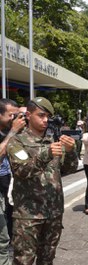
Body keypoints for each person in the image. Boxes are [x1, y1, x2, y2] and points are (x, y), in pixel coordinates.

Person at [7, 97, 78, 264]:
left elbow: (70, 169)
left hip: (53, 213)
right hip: (28, 216)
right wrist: (46, 154)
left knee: (47, 260)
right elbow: (22, 171)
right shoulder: (17, 141)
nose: (45, 120)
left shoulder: (53, 139)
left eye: (48, 116)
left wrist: (71, 151)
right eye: (41, 115)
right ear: (29, 115)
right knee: (23, 260)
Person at [0, 99, 26, 264]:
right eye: (11, 115)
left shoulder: (8, 131)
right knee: (2, 238)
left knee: (8, 232)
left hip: (6, 185)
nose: (14, 118)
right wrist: (13, 133)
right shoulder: (8, 134)